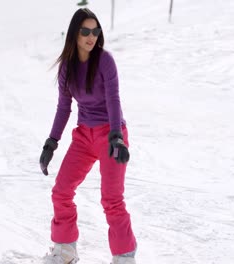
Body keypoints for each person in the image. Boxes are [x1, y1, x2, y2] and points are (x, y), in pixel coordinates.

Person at [39, 8, 137, 264]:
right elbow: (64, 107)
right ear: (74, 34)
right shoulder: (67, 68)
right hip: (84, 136)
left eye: (95, 31)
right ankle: (65, 251)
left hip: (111, 134)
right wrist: (52, 142)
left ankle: (124, 258)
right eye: (85, 31)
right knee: (61, 191)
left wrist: (116, 136)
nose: (91, 36)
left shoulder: (105, 61)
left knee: (112, 200)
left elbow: (113, 99)